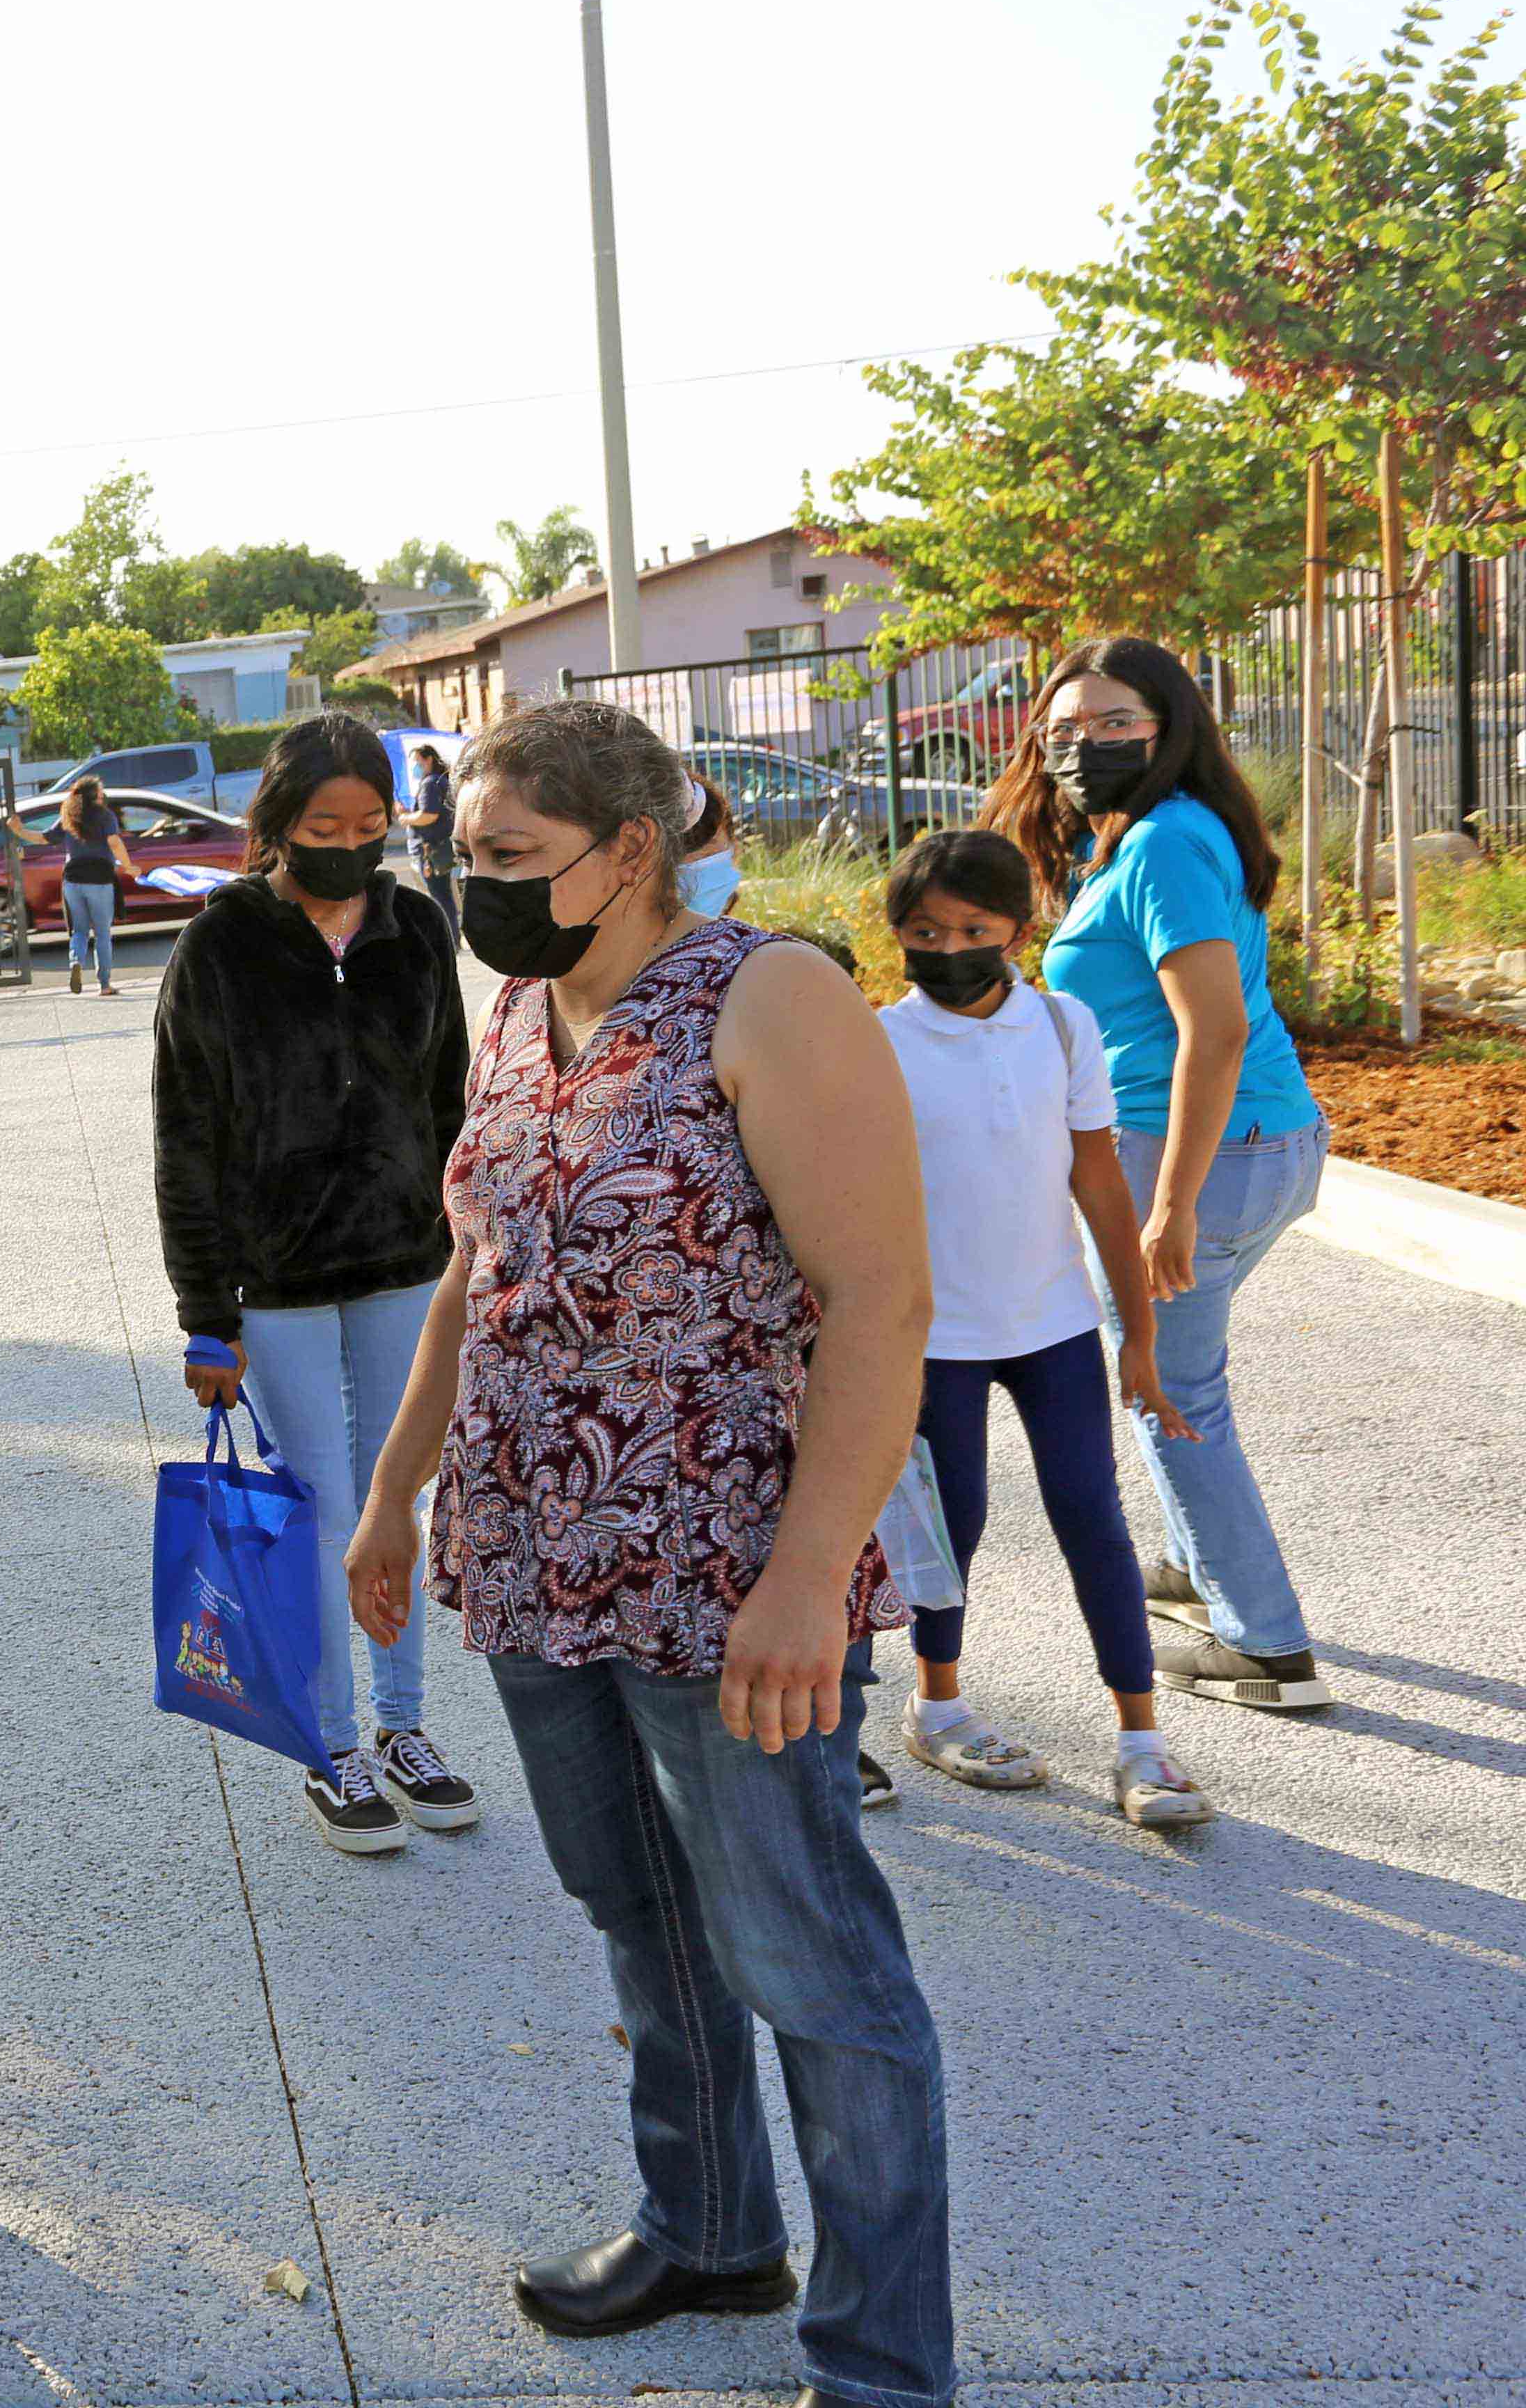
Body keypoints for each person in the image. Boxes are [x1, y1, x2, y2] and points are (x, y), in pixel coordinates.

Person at [345, 700, 952, 2408]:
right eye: (459, 859)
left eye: (509, 861)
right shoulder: (521, 1015)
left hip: (723, 1571)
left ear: (629, 850)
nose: (475, 891)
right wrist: (396, 1494)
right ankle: (704, 2228)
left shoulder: (770, 996)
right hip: (539, 1556)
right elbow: (474, 1276)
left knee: (807, 1959)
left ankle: (884, 2362)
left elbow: (881, 1302)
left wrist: (799, 1580)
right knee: (638, 1915)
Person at [152, 716, 476, 1856]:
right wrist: (204, 1315)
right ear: (276, 823)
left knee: (401, 1500)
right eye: (321, 826)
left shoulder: (419, 925)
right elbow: (185, 1139)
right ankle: (332, 1743)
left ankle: (404, 1726)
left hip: (404, 1266)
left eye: (368, 825)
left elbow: (454, 1099)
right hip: (276, 1282)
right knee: (326, 1507)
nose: (347, 844)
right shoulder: (219, 944)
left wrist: (470, 1255)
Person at [993, 635, 1332, 1715]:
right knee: (1182, 1377)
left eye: (1115, 724)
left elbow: (1215, 1033)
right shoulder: (1149, 834)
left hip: (1196, 1157)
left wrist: (1171, 1207)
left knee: (1168, 1391)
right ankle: (1197, 1565)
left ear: (1169, 724)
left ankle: (1267, 1647)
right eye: (1066, 730)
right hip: (1254, 1146)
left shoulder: (1163, 847)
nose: (1086, 745)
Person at [875, 830, 1213, 1829]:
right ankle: (937, 1707)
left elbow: (1101, 1185)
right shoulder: (877, 1041)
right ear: (896, 933)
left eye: (974, 929)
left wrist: (1138, 1338)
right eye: (924, 931)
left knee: (1092, 1519)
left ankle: (1142, 1745)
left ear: (1020, 931)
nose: (948, 948)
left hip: (1054, 1326)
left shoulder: (1064, 1028)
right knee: (954, 1524)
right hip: (935, 1337)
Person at [5, 778, 132, 995]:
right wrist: (129, 866)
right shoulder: (106, 816)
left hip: (72, 880)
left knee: (79, 930)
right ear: (95, 796)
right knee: (102, 933)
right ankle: (105, 985)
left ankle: (76, 963)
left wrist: (19, 831)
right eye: (100, 793)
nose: (103, 796)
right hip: (100, 879)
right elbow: (114, 842)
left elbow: (44, 838)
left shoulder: (68, 817)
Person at [407, 743, 459, 930]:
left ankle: (449, 938)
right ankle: (453, 936)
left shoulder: (430, 784)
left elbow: (428, 815)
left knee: (438, 897)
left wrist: (405, 818)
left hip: (430, 851)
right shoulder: (440, 780)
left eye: (417, 762)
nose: (414, 767)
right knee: (444, 895)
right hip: (440, 847)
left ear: (428, 760)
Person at [679, 776, 746, 917]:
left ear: (734, 846)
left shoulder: (744, 936)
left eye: (707, 851)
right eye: (682, 852)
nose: (694, 859)